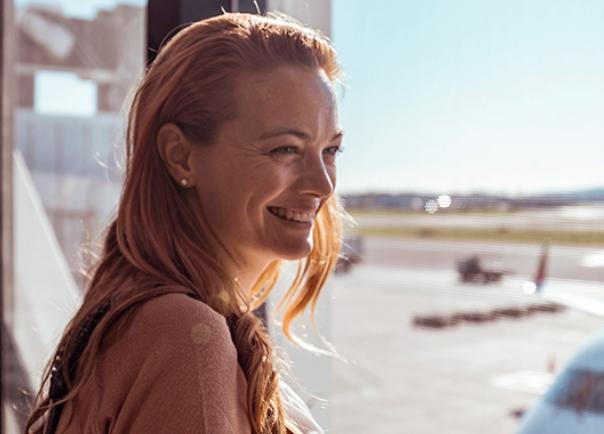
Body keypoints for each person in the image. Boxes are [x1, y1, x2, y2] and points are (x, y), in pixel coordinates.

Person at [25, 12, 345, 434]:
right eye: (285, 149)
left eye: (331, 151)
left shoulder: (154, 318)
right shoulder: (188, 340)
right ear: (180, 155)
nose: (321, 184)